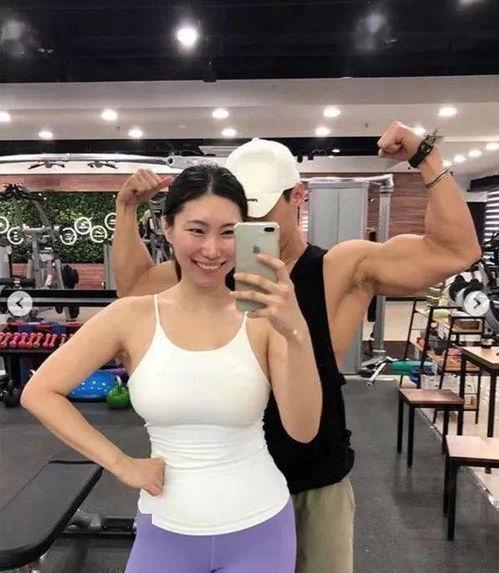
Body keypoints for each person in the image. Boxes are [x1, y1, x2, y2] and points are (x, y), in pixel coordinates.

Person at [111, 121, 482, 573]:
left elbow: (454, 252)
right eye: (242, 214)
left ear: (297, 196)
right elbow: (132, 291)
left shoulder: (341, 268)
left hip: (311, 480)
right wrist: (126, 209)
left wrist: (425, 157)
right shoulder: (207, 270)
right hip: (224, 486)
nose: (252, 225)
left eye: (263, 210)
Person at [20, 164, 323, 573]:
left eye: (228, 232)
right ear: (168, 229)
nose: (212, 249)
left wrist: (297, 332)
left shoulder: (264, 319)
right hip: (166, 527)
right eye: (196, 230)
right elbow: (40, 392)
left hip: (260, 526)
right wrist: (120, 463)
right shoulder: (130, 316)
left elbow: (303, 430)